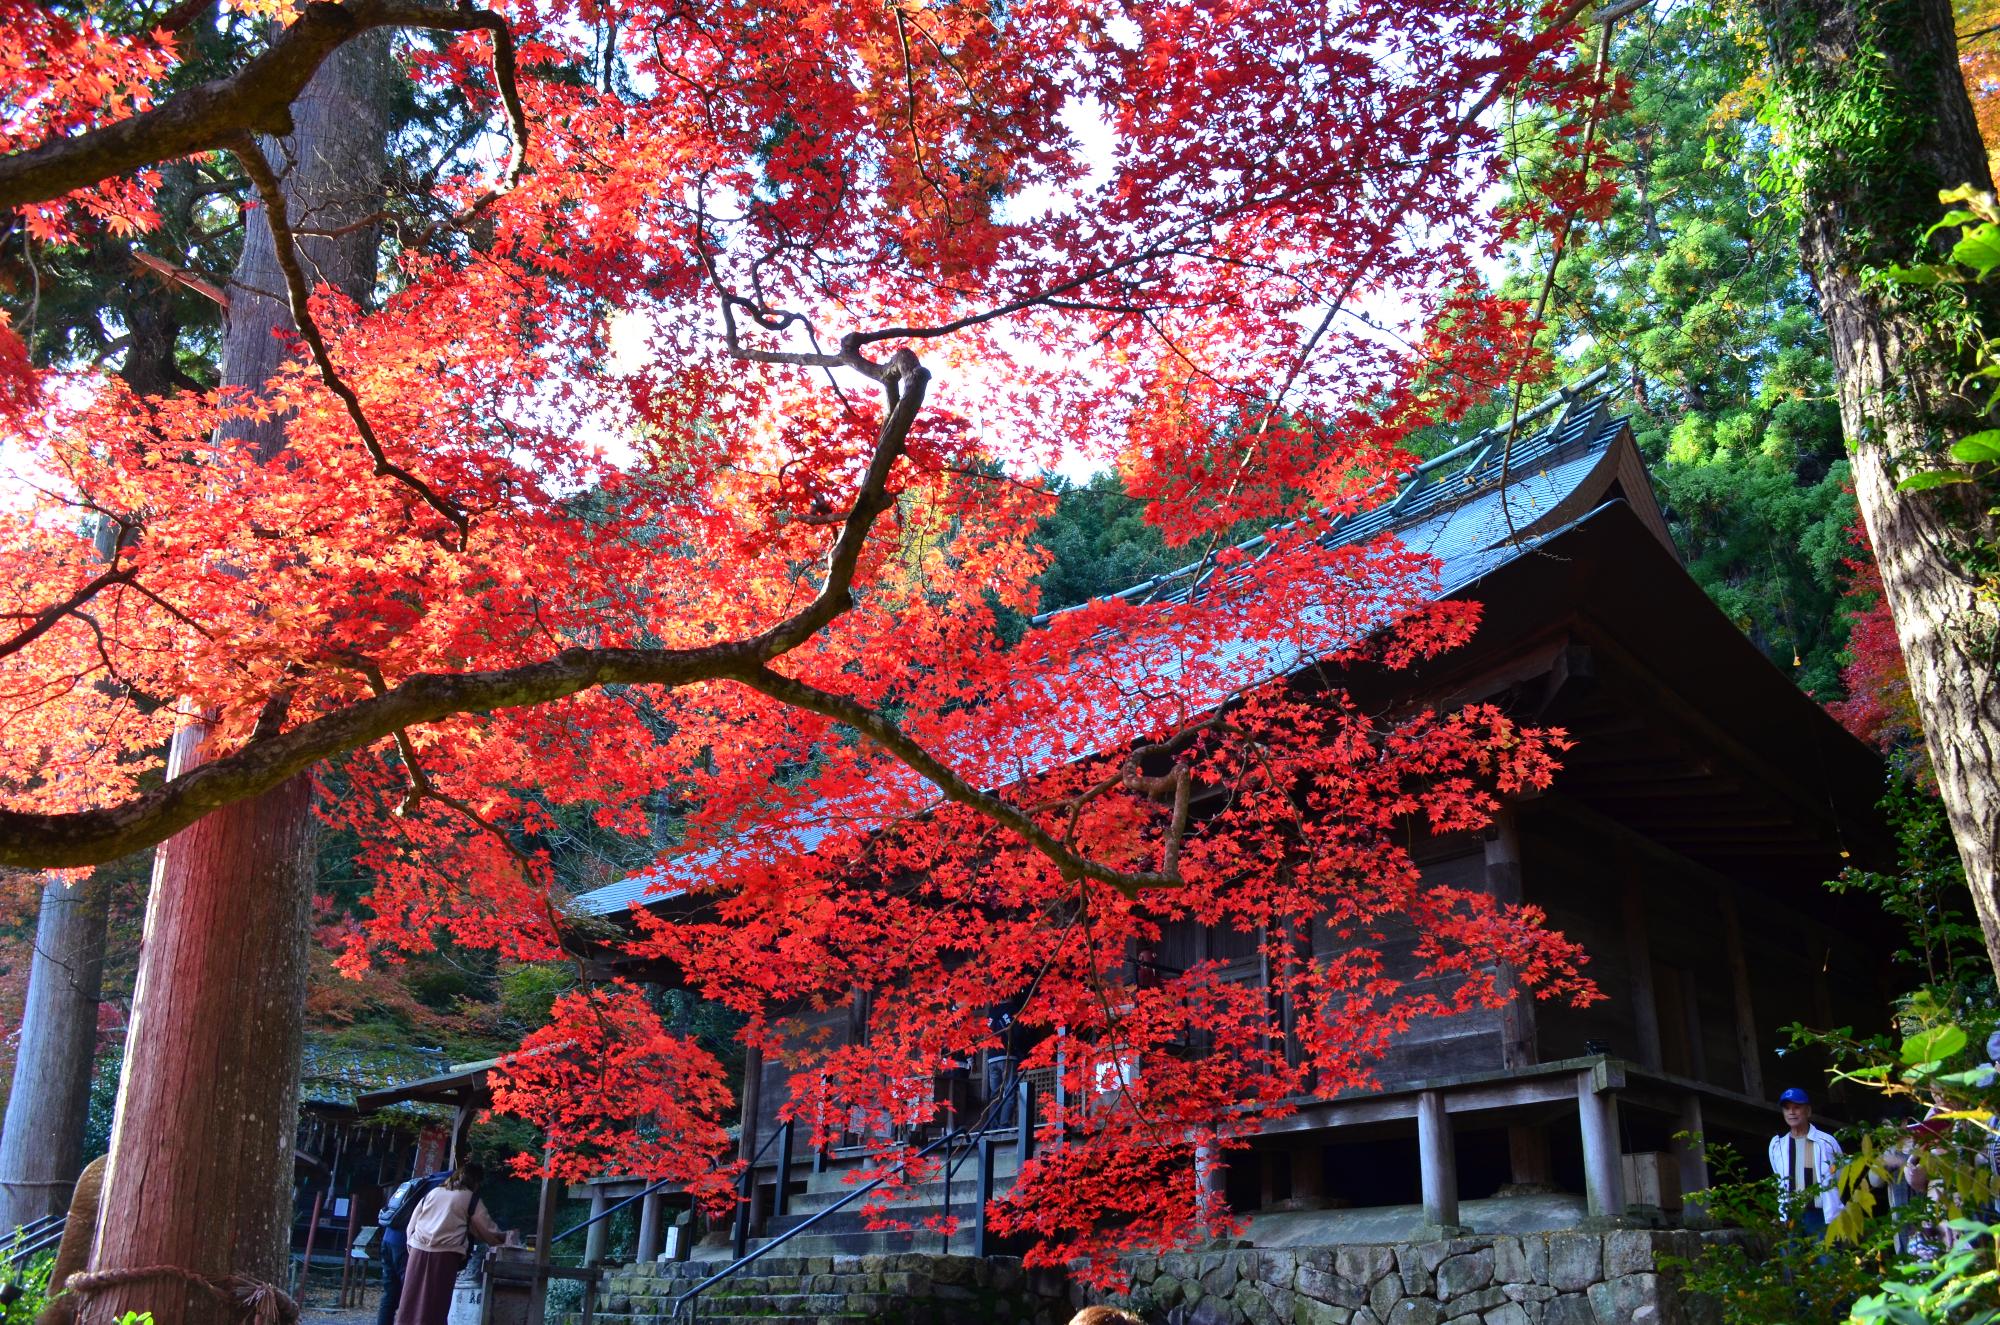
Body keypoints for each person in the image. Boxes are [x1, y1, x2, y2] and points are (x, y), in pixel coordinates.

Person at [393, 1161, 512, 1325]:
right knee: (436, 1302)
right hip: (445, 1255)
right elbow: (487, 1229)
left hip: (418, 1251)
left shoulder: (434, 1192)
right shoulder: (469, 1198)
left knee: (411, 1299)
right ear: (476, 1182)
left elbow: (412, 1225)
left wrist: (412, 1247)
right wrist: (508, 1238)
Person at [376, 1167, 451, 1325]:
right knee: (411, 1293)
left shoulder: (422, 1182)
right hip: (405, 1243)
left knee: (390, 1294)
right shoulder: (441, 1189)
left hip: (388, 1238)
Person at [1767, 1086, 1844, 1234]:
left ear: (1808, 1111)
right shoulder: (1777, 1145)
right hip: (1792, 1216)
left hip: (1821, 1214)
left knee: (1827, 1256)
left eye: (1797, 1107)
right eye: (1787, 1108)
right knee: (1793, 1256)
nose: (1791, 1112)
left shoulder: (1826, 1142)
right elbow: (1779, 1179)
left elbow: (1840, 1175)